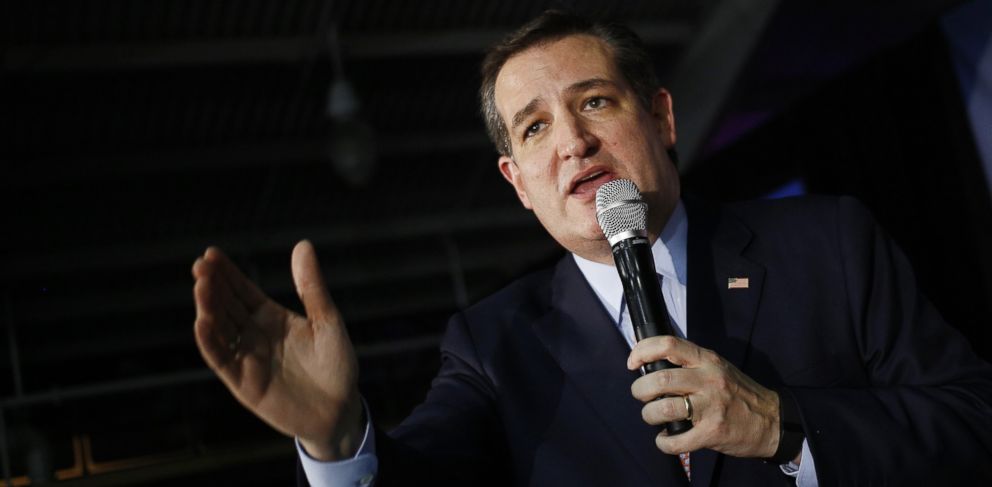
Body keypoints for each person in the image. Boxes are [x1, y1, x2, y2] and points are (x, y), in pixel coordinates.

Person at [192, 10, 992, 486]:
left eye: (595, 102)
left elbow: (972, 423)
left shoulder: (829, 243)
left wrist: (783, 424)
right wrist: (338, 441)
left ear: (662, 118)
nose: (572, 141)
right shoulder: (494, 344)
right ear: (517, 182)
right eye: (536, 127)